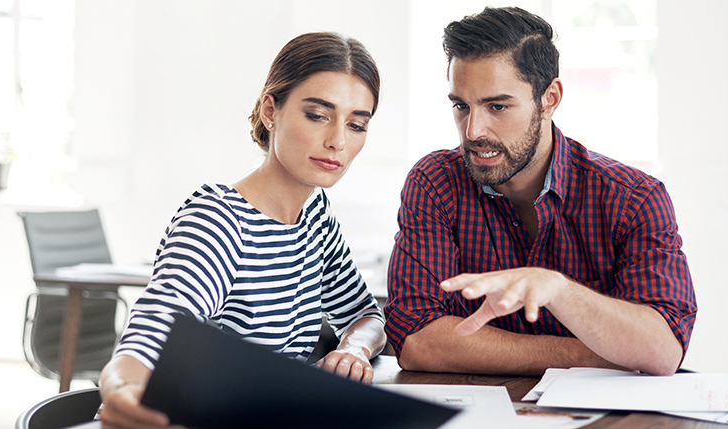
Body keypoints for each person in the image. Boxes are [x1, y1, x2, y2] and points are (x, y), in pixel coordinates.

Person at [385, 6, 697, 378]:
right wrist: (596, 354)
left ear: (549, 98)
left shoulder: (633, 199)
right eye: (461, 106)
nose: (472, 131)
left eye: (497, 106)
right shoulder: (435, 182)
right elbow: (417, 340)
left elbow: (661, 351)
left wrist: (559, 292)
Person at [98, 32, 387, 429]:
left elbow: (366, 314)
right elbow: (154, 328)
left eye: (356, 124)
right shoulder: (219, 219)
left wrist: (353, 349)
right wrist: (121, 389)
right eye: (318, 115)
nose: (337, 140)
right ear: (271, 110)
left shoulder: (315, 216)